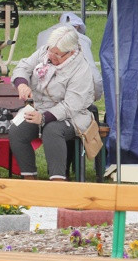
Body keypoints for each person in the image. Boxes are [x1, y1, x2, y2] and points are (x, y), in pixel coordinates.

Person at [9, 26, 95, 181]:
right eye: (51, 51)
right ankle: (29, 178)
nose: (52, 56)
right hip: (39, 110)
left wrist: (43, 118)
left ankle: (58, 181)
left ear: (71, 52)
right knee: (17, 130)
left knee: (52, 130)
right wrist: (22, 84)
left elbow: (71, 105)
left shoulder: (81, 69)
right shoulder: (44, 52)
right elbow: (23, 67)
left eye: (58, 54)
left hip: (72, 117)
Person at [36, 11, 103, 101]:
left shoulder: (42, 35)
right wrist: (95, 97)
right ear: (77, 27)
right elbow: (94, 75)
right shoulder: (80, 39)